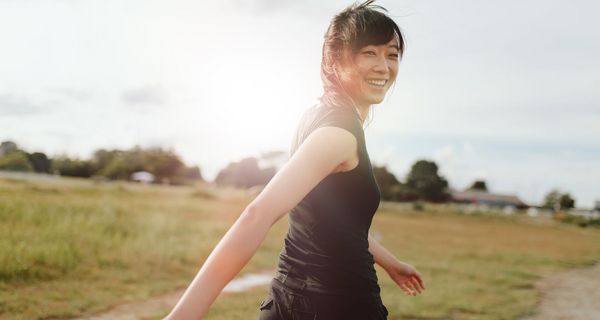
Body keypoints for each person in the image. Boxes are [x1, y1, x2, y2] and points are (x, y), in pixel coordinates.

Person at [164, 1, 425, 319]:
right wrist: (182, 315)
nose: (384, 66)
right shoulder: (338, 134)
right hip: (339, 305)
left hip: (287, 302)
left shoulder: (316, 117)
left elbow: (336, 221)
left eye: (392, 54)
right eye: (369, 53)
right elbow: (257, 214)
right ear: (336, 59)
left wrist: (390, 263)